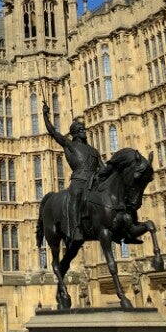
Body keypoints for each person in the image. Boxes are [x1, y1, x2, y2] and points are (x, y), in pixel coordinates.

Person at [42, 103, 103, 245]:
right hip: (79, 180)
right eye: (80, 129)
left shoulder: (93, 151)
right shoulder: (70, 145)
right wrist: (45, 115)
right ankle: (75, 229)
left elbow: (103, 167)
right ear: (74, 132)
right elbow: (53, 132)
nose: (84, 131)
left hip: (94, 181)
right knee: (74, 196)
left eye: (84, 129)